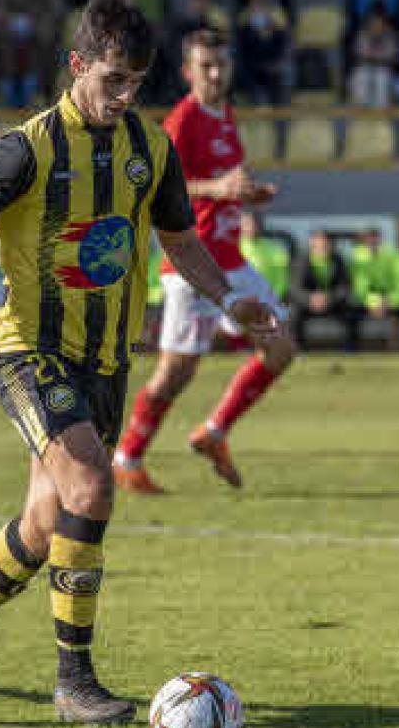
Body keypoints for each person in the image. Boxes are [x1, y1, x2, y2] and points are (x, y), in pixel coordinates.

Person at [0, 0, 274, 724]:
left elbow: (180, 240)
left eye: (135, 84)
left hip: (107, 363)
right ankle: (73, 682)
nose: (123, 97)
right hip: (30, 353)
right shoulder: (28, 147)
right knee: (92, 486)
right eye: (111, 80)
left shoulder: (151, 149)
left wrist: (229, 297)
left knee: (45, 525)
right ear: (78, 65)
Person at [111, 28, 295, 495]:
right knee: (176, 373)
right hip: (194, 266)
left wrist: (247, 194)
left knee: (279, 348)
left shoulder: (226, 115)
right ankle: (127, 457)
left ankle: (214, 433)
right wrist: (218, 188)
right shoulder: (183, 120)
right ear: (187, 71)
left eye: (221, 64)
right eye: (205, 66)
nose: (215, 73)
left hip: (232, 259)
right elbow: (159, 186)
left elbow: (219, 183)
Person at [349, 228, 399, 350]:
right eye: (366, 241)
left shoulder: (397, 256)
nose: (370, 244)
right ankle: (353, 351)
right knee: (350, 311)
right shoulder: (359, 258)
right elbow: (359, 288)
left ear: (379, 240)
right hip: (369, 301)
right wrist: (373, 303)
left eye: (373, 240)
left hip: (392, 300)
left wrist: (387, 301)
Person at [291, 229, 355, 351]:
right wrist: (311, 298)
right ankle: (299, 351)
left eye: (326, 245)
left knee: (351, 313)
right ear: (312, 245)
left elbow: (345, 287)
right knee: (293, 314)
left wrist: (329, 298)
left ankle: (350, 350)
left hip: (331, 303)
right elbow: (295, 289)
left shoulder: (338, 260)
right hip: (308, 304)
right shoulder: (301, 261)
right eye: (319, 245)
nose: (323, 248)